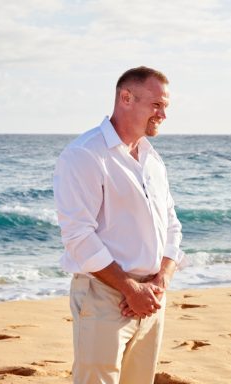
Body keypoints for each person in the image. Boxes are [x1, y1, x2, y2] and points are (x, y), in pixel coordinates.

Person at [53, 66, 185, 384]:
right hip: (103, 296)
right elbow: (78, 236)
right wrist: (130, 288)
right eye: (156, 105)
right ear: (126, 98)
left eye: (166, 106)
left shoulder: (152, 159)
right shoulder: (84, 155)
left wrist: (159, 282)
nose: (163, 114)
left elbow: (171, 225)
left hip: (152, 296)